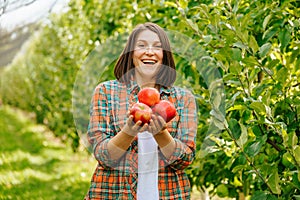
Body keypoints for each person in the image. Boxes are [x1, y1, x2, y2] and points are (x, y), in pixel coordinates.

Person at [84, 22, 198, 200]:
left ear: (165, 56)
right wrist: (129, 131)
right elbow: (103, 156)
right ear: (130, 54)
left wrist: (161, 134)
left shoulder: (183, 99)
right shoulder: (106, 92)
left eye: (157, 47)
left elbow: (184, 160)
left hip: (169, 194)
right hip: (114, 194)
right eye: (142, 45)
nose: (150, 52)